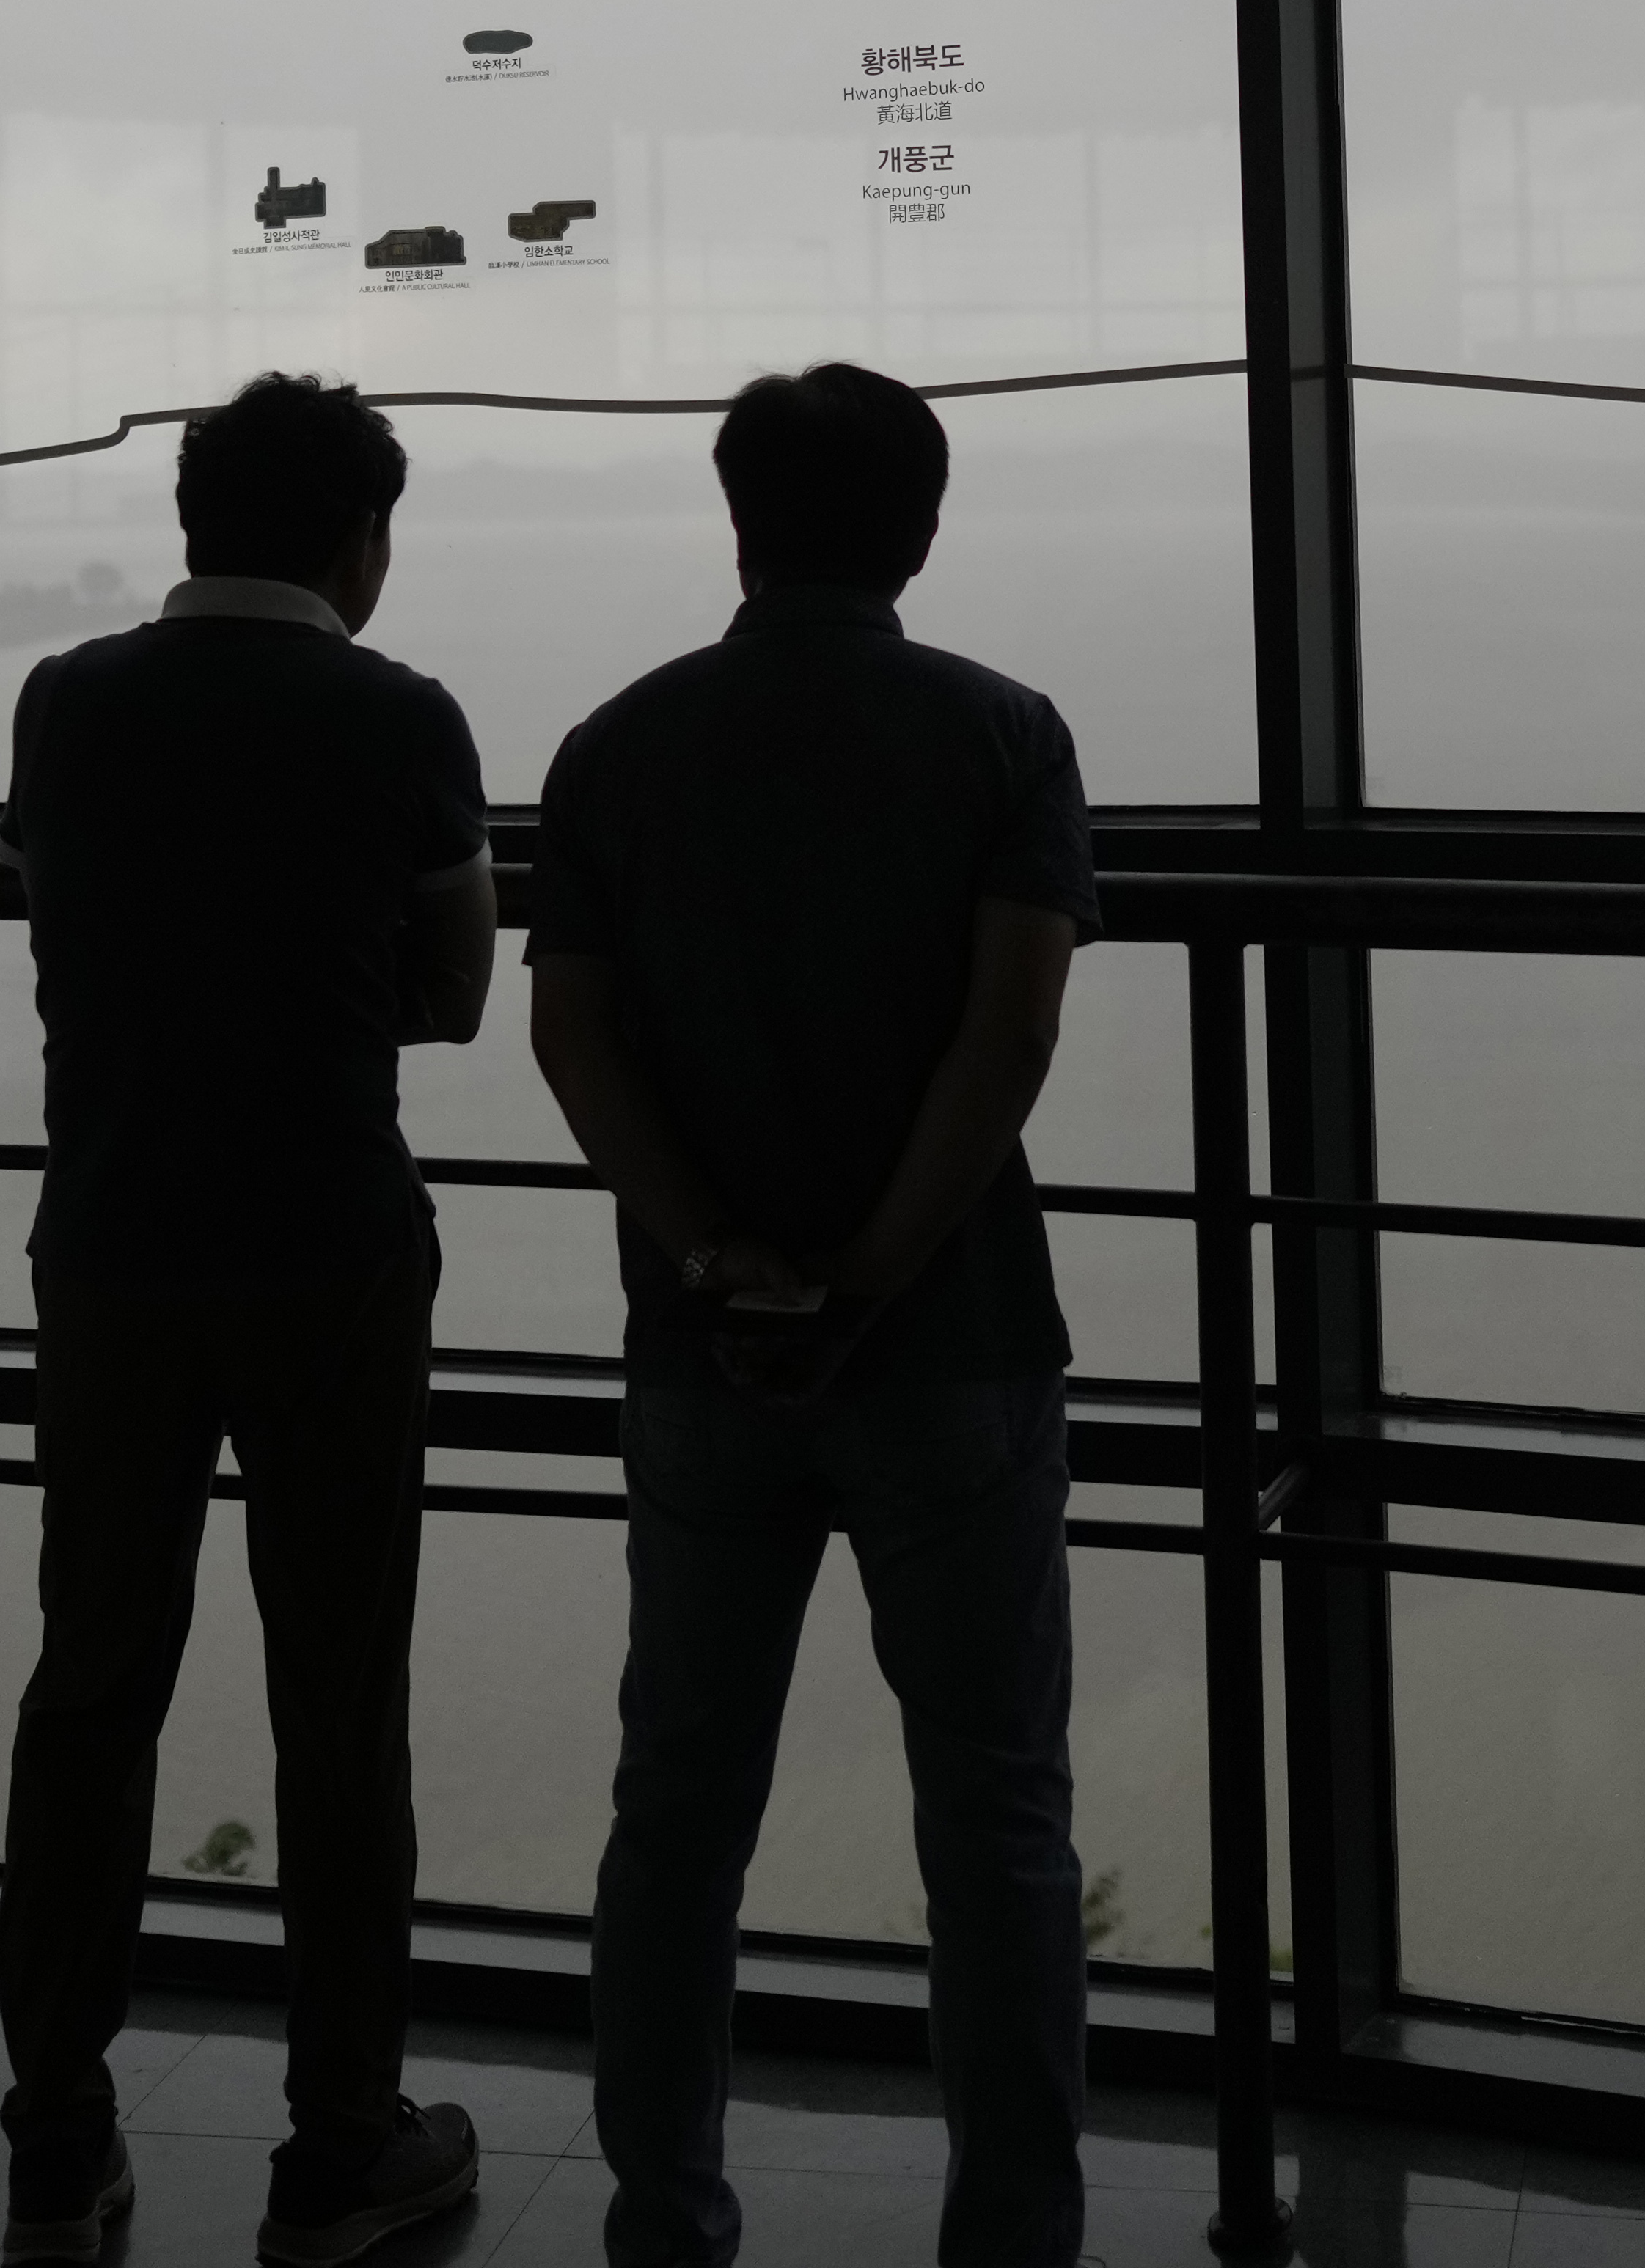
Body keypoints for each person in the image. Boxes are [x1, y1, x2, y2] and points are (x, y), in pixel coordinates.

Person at [527, 363, 1101, 2268]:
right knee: (997, 1821)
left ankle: (662, 2218)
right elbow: (1006, 1034)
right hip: (951, 1352)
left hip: (704, 1359)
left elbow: (573, 1034)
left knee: (675, 1809)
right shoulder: (1003, 737)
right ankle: (1010, 2236)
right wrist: (865, 1281)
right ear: (919, 530)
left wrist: (713, 1261)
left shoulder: (613, 751)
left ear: (737, 518)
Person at [0, 373, 499, 2268]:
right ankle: (342, 2139)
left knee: (91, 1683)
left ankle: (55, 2140)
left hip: (112, 1244)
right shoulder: (398, 720)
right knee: (335, 1699)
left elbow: (45, 908)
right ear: (358, 540)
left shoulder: (68, 702)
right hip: (329, 1253)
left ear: (197, 522)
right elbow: (450, 995)